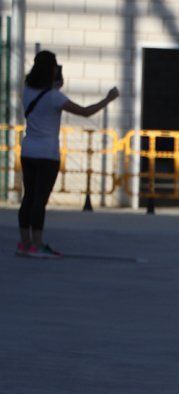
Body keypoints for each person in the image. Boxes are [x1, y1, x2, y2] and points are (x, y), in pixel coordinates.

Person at [16, 50, 119, 258]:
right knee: (39, 200)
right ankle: (38, 244)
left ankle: (25, 243)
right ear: (51, 70)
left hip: (28, 151)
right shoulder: (55, 97)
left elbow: (40, 99)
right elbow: (85, 111)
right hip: (47, 154)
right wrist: (108, 99)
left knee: (28, 197)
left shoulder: (27, 91)